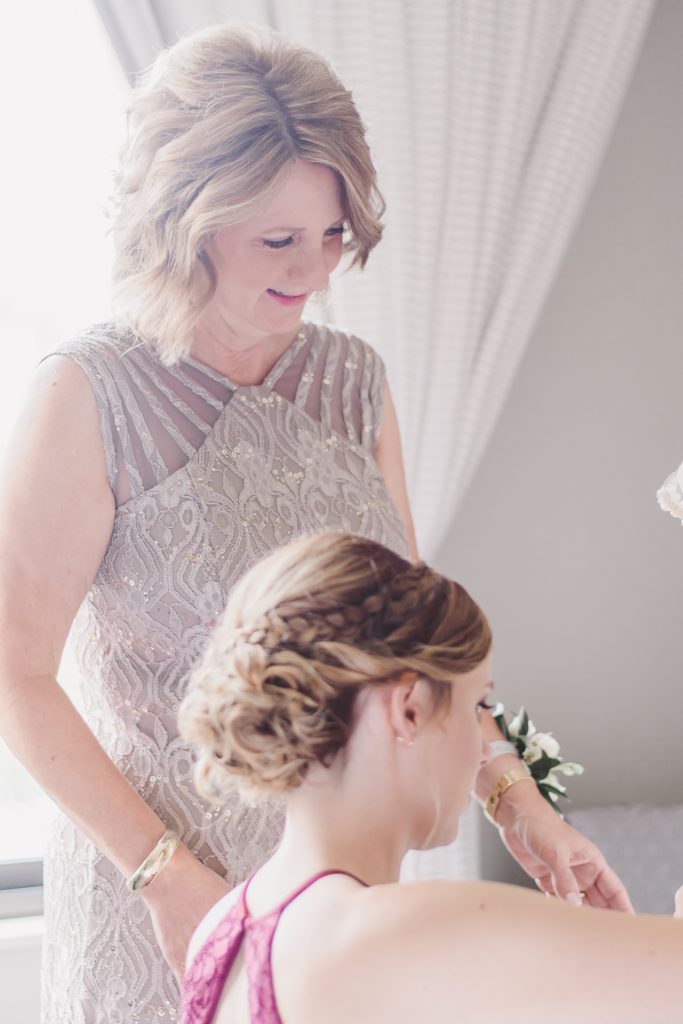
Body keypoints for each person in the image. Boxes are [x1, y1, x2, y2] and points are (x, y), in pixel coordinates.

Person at [0, 21, 627, 1024]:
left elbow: (415, 647)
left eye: (332, 234)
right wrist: (166, 877)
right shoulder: (90, 395)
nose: (316, 271)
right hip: (155, 897)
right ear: (186, 223)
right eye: (278, 240)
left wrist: (520, 805)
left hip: (336, 903)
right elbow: (16, 676)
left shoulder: (351, 383)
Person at [178, 532, 682, 1024]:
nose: (484, 750)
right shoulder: (402, 932)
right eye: (477, 705)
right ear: (410, 710)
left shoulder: (219, 932)